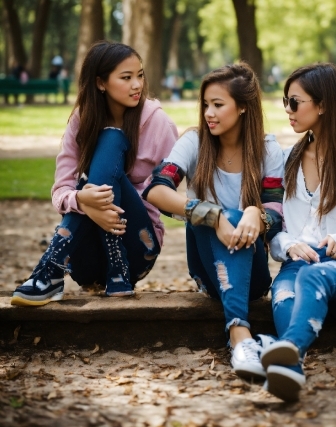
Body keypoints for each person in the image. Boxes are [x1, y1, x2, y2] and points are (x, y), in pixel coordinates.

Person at [142, 62, 284, 381]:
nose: (209, 112)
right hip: (208, 270)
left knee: (237, 214)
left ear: (244, 107)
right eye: (206, 104)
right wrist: (212, 214)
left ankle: (239, 336)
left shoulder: (268, 150)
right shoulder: (195, 142)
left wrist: (254, 215)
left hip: (255, 277)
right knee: (218, 215)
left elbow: (277, 213)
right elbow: (156, 190)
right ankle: (239, 336)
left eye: (218, 105)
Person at [11, 41, 178, 306]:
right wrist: (84, 202)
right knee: (90, 179)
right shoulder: (83, 120)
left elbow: (172, 192)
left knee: (111, 141)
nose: (137, 85)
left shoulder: (158, 123)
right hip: (85, 263)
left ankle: (50, 272)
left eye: (140, 75)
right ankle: (65, 268)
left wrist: (108, 202)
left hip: (136, 250)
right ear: (101, 83)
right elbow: (60, 191)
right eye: (126, 78)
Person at [259, 63, 336, 401]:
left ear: (324, 104)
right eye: (286, 101)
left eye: (295, 102)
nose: (287, 109)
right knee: (283, 294)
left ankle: (291, 352)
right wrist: (286, 245)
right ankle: (291, 366)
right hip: (298, 265)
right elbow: (274, 221)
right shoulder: (289, 158)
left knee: (317, 279)